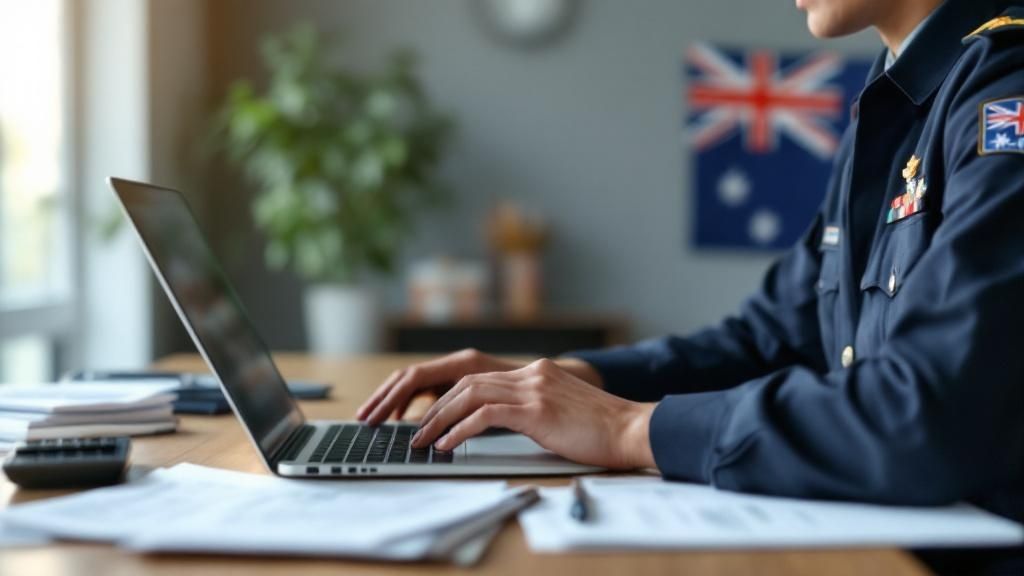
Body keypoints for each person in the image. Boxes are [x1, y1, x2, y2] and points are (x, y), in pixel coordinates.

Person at [358, 0, 1024, 526]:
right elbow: (767, 337)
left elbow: (928, 413)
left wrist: (627, 428)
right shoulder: (894, 101)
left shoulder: (1006, 87)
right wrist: (562, 380)